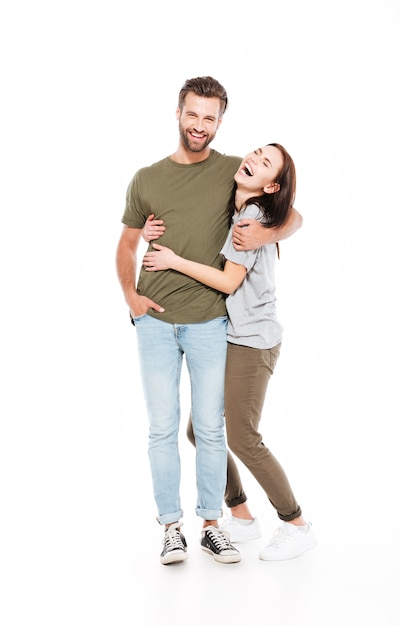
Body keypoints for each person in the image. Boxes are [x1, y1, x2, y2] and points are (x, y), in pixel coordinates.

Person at [116, 76, 302, 566]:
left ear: (220, 122)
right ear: (178, 113)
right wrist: (131, 296)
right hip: (154, 322)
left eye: (210, 117)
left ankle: (219, 524)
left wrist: (262, 235)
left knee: (218, 432)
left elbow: (293, 214)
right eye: (193, 114)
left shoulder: (236, 174)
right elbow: (127, 244)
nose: (200, 125)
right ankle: (172, 527)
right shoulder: (148, 177)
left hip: (212, 325)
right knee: (166, 427)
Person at [142, 142, 318, 561]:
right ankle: (241, 515)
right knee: (195, 430)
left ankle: (296, 524)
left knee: (241, 435)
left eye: (265, 163)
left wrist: (172, 260)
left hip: (253, 341)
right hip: (231, 335)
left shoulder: (254, 216)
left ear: (271, 184)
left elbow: (228, 282)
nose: (252, 159)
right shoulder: (238, 203)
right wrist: (150, 230)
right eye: (256, 151)